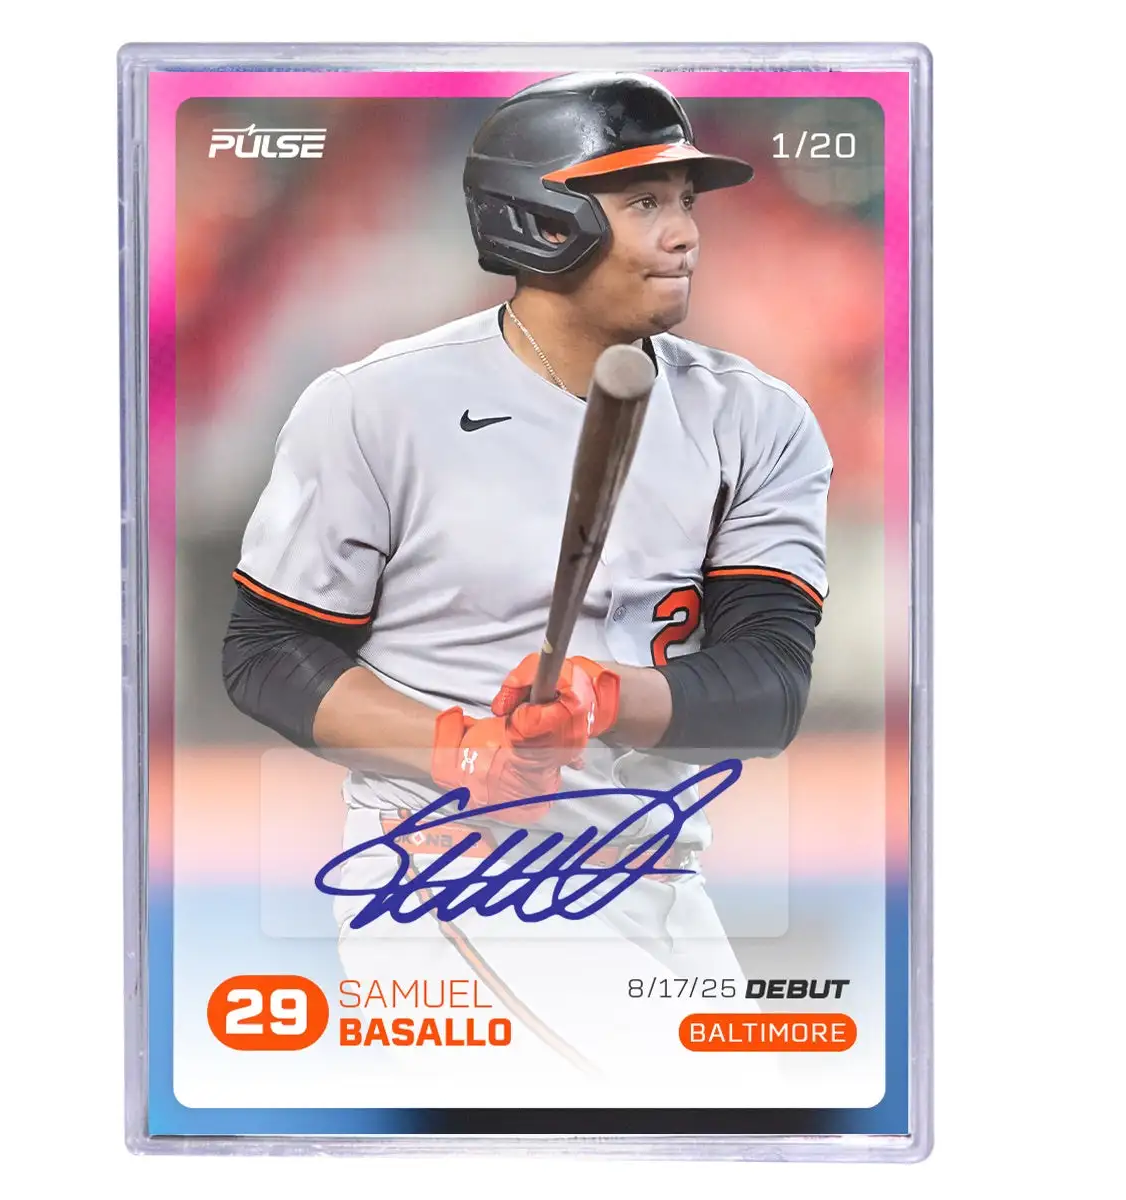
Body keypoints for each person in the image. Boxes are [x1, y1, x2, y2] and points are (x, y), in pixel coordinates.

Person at [222, 71, 831, 1079]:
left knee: (745, 1132)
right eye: (645, 202)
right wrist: (457, 748)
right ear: (542, 220)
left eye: (685, 201)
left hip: (660, 875)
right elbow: (269, 653)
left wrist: (602, 699)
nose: (685, 233)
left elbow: (769, 687)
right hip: (456, 872)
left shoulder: (757, 419)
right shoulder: (374, 406)